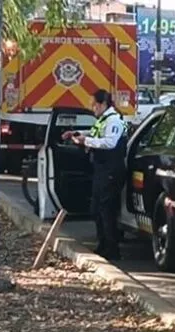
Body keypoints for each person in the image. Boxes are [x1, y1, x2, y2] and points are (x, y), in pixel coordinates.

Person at [62, 89, 128, 260]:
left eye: (94, 105)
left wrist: (87, 141)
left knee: (106, 209)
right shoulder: (103, 120)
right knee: (97, 209)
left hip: (111, 170)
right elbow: (96, 134)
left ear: (103, 104)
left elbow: (109, 142)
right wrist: (77, 135)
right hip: (101, 169)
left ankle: (112, 248)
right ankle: (103, 244)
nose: (93, 108)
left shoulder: (114, 121)